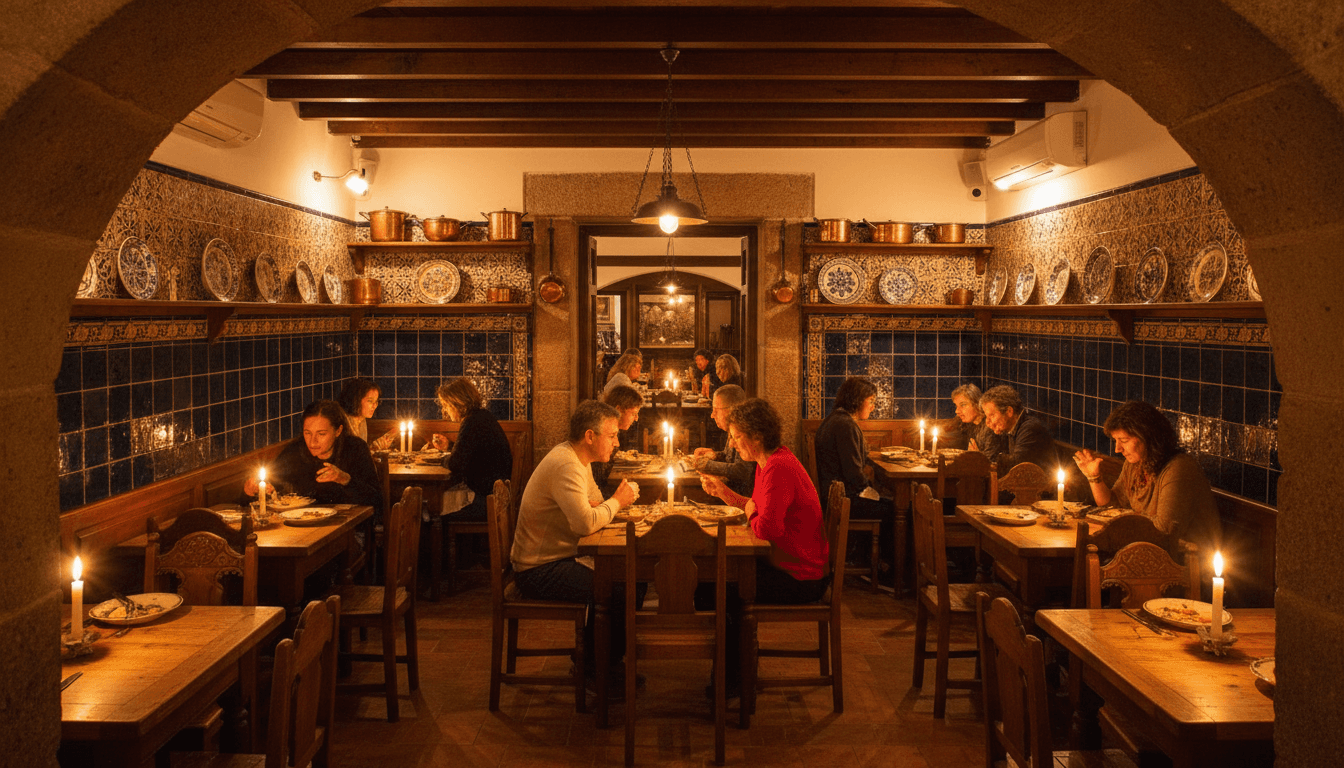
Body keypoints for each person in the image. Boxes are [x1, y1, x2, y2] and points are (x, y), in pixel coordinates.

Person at [700, 398, 829, 696]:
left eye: (736, 435)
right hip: (787, 563)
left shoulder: (778, 467)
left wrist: (749, 512)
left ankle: (733, 679)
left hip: (801, 576)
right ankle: (735, 669)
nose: (732, 442)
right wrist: (725, 494)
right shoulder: (768, 462)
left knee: (718, 590)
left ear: (756, 436)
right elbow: (758, 509)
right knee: (714, 583)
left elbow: (767, 528)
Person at [511, 400, 641, 684]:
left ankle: (600, 659)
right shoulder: (566, 464)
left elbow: (595, 504)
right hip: (538, 569)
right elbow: (585, 522)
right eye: (612, 436)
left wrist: (606, 506)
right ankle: (597, 669)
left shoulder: (580, 461)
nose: (617, 443)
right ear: (590, 436)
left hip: (558, 557)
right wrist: (618, 502)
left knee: (632, 578)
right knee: (619, 587)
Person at [1073, 400, 1222, 555]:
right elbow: (1112, 505)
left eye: (1124, 440)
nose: (1117, 449)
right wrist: (1094, 477)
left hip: (1185, 563)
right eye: (1115, 441)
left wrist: (1123, 522)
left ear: (1147, 436)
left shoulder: (1179, 468)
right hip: (1147, 553)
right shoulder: (1136, 463)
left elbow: (1163, 533)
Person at [813, 377, 892, 575]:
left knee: (885, 503)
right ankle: (890, 572)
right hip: (841, 500)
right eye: (871, 400)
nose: (873, 406)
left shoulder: (836, 419)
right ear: (857, 400)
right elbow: (854, 475)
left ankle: (866, 558)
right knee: (894, 511)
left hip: (832, 495)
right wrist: (873, 489)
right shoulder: (845, 425)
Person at [242, 400, 381, 511]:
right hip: (302, 528)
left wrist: (345, 479)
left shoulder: (355, 448)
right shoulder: (294, 452)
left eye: (321, 434)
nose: (312, 441)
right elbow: (269, 488)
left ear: (338, 431)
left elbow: (376, 499)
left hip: (349, 530)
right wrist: (250, 492)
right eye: (307, 433)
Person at [426, 378, 512, 522]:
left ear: (457, 403)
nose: (445, 410)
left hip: (486, 499)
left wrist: (439, 459)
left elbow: (455, 464)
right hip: (494, 494)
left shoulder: (471, 422)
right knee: (436, 504)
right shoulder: (481, 417)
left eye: (446, 405)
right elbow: (470, 453)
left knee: (432, 509)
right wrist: (448, 446)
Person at [689, 384, 753, 497]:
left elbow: (742, 470)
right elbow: (730, 458)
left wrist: (708, 465)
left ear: (731, 409)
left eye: (716, 410)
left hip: (742, 497)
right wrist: (715, 455)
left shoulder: (744, 432)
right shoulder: (732, 429)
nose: (712, 415)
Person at [979, 385, 1057, 471]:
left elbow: (1017, 463)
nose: (988, 422)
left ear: (1009, 412)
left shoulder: (1031, 429)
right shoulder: (1008, 428)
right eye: (987, 416)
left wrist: (982, 458)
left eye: (992, 415)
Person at [592, 384, 643, 487]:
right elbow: (601, 480)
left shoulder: (611, 429)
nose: (636, 418)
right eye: (633, 413)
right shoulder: (602, 434)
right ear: (619, 410)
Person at [941, 383, 1005, 456]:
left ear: (977, 404)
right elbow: (946, 430)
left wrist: (976, 456)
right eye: (956, 406)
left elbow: (990, 462)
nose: (957, 411)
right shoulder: (967, 422)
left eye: (963, 405)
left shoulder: (990, 428)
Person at [336, 377, 396, 451]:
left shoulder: (361, 420)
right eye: (370, 401)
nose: (374, 406)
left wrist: (379, 444)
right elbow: (355, 457)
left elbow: (361, 453)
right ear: (356, 400)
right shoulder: (344, 424)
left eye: (376, 401)